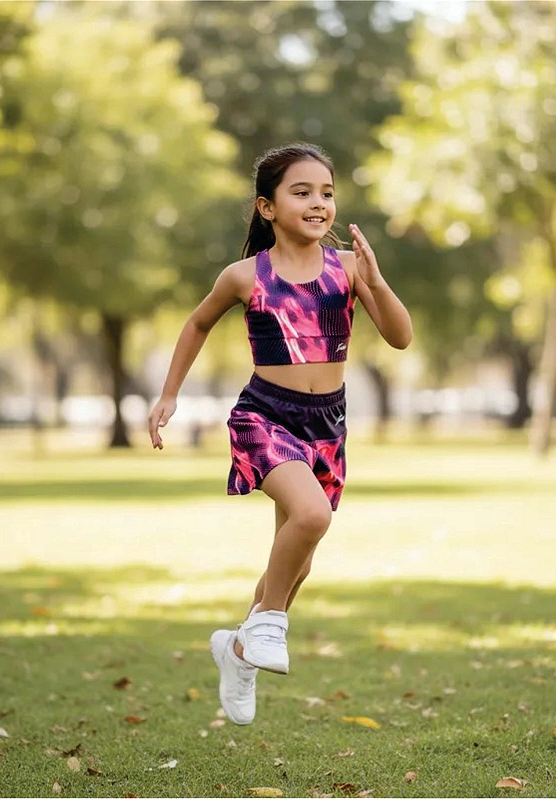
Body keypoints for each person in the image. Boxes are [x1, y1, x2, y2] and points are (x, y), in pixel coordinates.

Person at [147, 143, 413, 726]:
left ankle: (239, 651)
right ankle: (264, 628)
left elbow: (400, 337)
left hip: (329, 426)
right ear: (267, 207)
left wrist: (378, 279)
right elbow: (196, 323)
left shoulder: (347, 270)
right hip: (266, 416)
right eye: (302, 192)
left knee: (299, 565)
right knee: (312, 518)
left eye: (327, 192)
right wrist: (169, 393)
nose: (318, 203)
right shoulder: (245, 275)